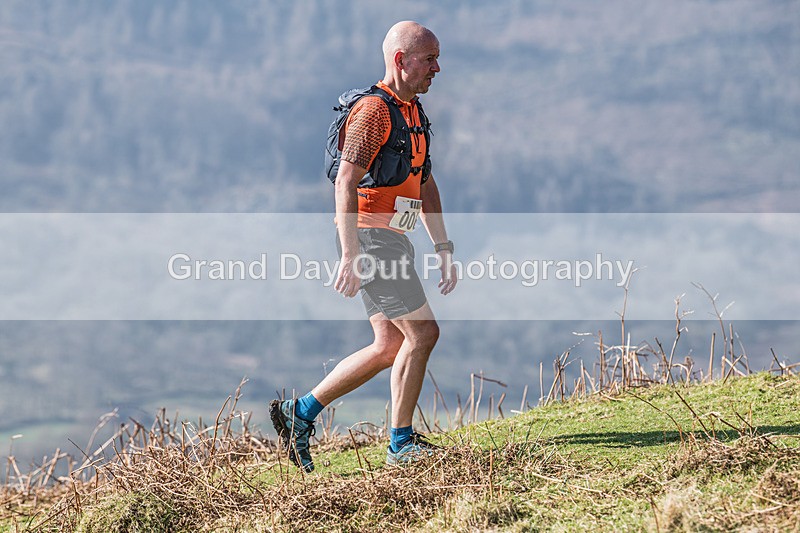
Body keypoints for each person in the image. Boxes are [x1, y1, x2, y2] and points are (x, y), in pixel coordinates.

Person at [270, 20, 457, 472]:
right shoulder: (374, 112)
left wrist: (443, 246)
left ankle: (300, 413)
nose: (438, 68)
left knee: (390, 344)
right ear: (401, 60)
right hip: (372, 238)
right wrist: (353, 254)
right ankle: (401, 444)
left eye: (437, 58)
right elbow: (346, 183)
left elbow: (424, 182)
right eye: (429, 59)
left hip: (392, 236)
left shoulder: (413, 113)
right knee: (424, 334)